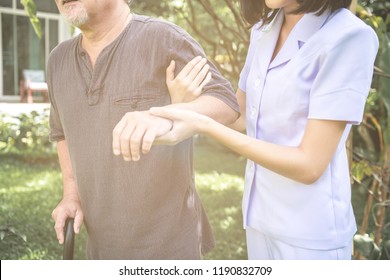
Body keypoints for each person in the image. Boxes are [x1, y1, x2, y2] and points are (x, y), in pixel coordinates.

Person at [150, 0, 379, 259]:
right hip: (258, 221)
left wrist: (204, 124)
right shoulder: (263, 31)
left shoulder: (349, 37)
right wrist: (186, 106)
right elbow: (239, 115)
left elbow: (310, 165)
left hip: (311, 235)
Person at [49, 0, 239, 259]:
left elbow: (226, 103)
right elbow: (62, 132)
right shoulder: (57, 60)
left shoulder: (164, 39)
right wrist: (71, 194)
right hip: (101, 249)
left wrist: (165, 117)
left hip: (168, 249)